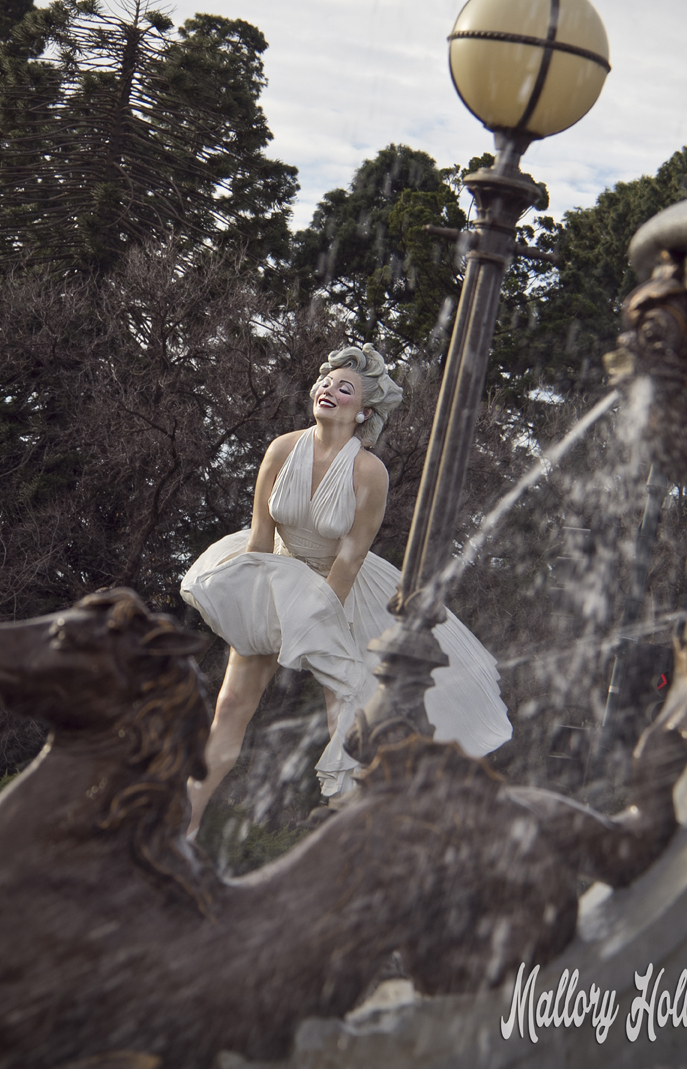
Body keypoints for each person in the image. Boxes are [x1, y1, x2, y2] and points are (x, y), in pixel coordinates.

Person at [180, 344, 512, 837]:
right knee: (231, 707)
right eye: (325, 382)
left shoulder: (368, 472)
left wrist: (315, 619)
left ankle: (347, 833)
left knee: (347, 714)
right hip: (276, 574)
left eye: (344, 387)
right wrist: (252, 602)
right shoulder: (282, 448)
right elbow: (259, 538)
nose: (327, 390)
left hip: (340, 592)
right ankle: (180, 828)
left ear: (365, 410)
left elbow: (351, 558)